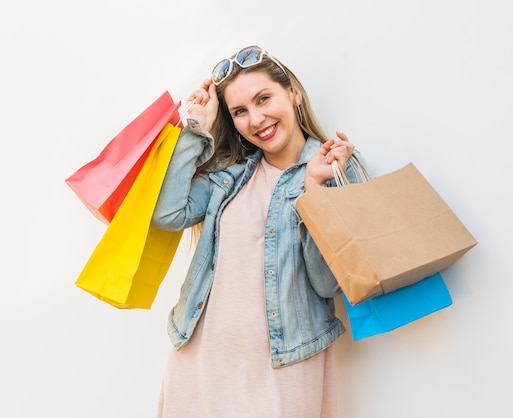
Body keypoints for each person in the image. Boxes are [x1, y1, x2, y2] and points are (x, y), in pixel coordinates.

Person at [151, 45, 365, 418]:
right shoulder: (229, 174)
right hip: (200, 359)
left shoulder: (334, 168)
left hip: (284, 364)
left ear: (293, 93)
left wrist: (313, 189)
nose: (256, 119)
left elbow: (327, 283)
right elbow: (167, 214)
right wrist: (197, 128)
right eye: (240, 111)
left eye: (264, 98)